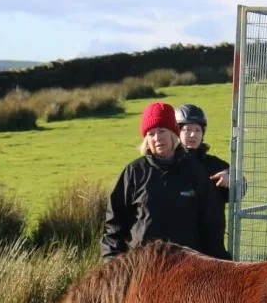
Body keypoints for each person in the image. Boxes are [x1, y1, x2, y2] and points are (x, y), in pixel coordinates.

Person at [100, 101, 231, 261]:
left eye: (162, 131)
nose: (157, 138)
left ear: (173, 134)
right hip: (143, 267)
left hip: (186, 267)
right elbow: (115, 223)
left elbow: (210, 224)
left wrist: (217, 264)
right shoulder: (134, 172)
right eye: (151, 133)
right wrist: (112, 263)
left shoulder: (195, 172)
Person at [175, 103, 245, 245]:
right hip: (177, 248)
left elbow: (241, 188)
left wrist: (232, 179)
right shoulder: (167, 165)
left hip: (211, 247)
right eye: (187, 130)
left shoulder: (215, 165)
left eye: (198, 130)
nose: (193, 135)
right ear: (177, 132)